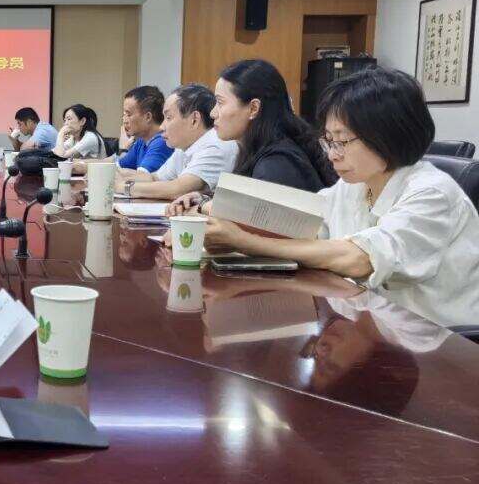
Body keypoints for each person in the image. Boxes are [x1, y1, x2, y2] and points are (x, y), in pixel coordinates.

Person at [198, 67, 479, 328]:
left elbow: (359, 259)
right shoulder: (354, 185)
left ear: (389, 134)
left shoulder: (433, 193)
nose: (333, 154)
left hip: (438, 343)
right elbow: (305, 226)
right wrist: (219, 214)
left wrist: (243, 241)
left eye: (342, 141)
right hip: (370, 325)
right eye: (329, 141)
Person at [168, 59, 336, 214]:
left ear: (253, 108)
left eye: (220, 103)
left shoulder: (277, 164)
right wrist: (204, 198)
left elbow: (252, 222)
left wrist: (202, 207)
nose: (213, 113)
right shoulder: (257, 150)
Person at [121, 84, 237, 200]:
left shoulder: (215, 146)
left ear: (194, 120)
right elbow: (154, 178)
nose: (161, 127)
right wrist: (117, 176)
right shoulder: (185, 146)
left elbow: (176, 189)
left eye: (168, 118)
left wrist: (123, 187)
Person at [116, 85, 172, 173]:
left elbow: (141, 176)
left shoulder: (162, 142)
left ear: (148, 117)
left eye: (128, 114)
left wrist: (123, 149)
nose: (124, 120)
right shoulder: (141, 141)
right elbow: (117, 166)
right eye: (124, 115)